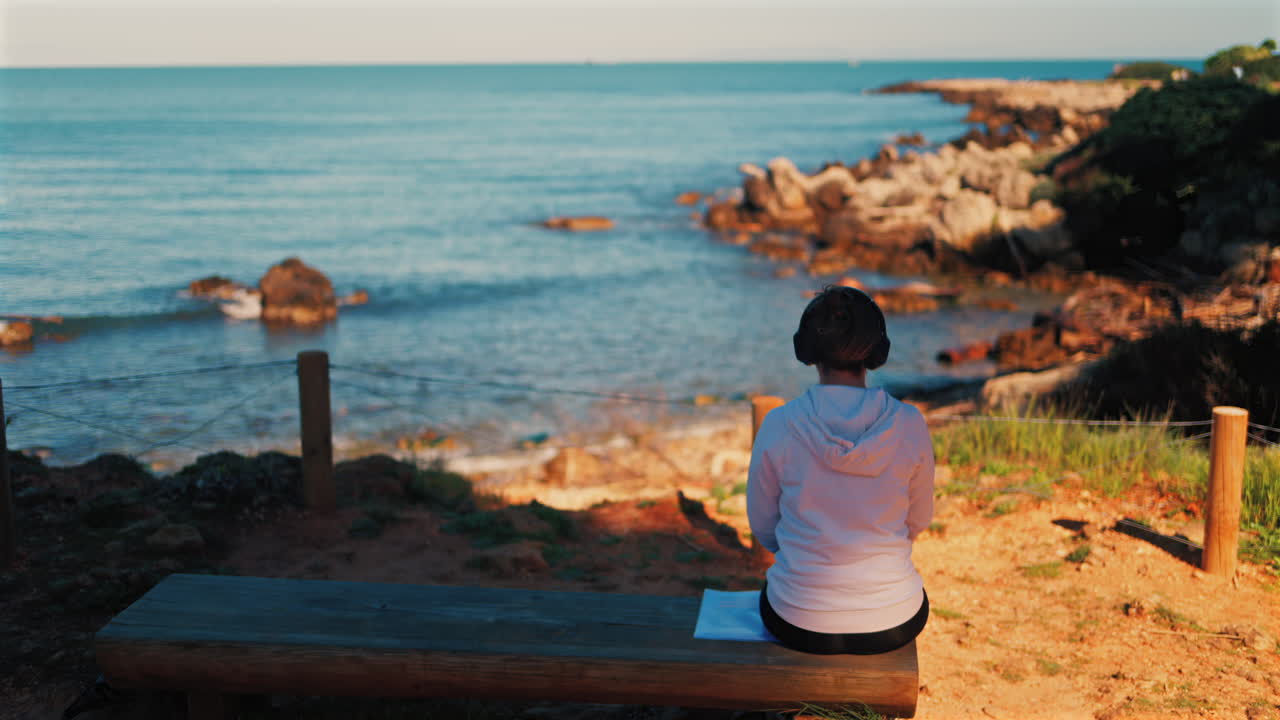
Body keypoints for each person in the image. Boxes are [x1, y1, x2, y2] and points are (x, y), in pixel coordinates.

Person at [747, 284, 934, 655]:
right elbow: (919, 520)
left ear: (807, 349)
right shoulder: (910, 424)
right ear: (877, 351)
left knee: (774, 593)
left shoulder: (780, 424)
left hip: (797, 617)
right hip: (893, 617)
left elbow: (764, 527)